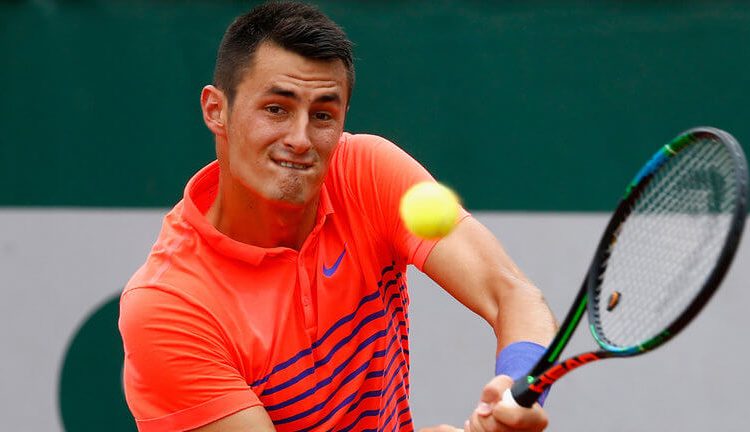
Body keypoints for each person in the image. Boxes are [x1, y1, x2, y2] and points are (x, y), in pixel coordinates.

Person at [118, 1, 557, 431]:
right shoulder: (167, 307)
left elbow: (512, 294)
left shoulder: (368, 172)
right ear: (217, 110)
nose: (300, 139)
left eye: (323, 115)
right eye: (276, 109)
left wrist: (518, 390)